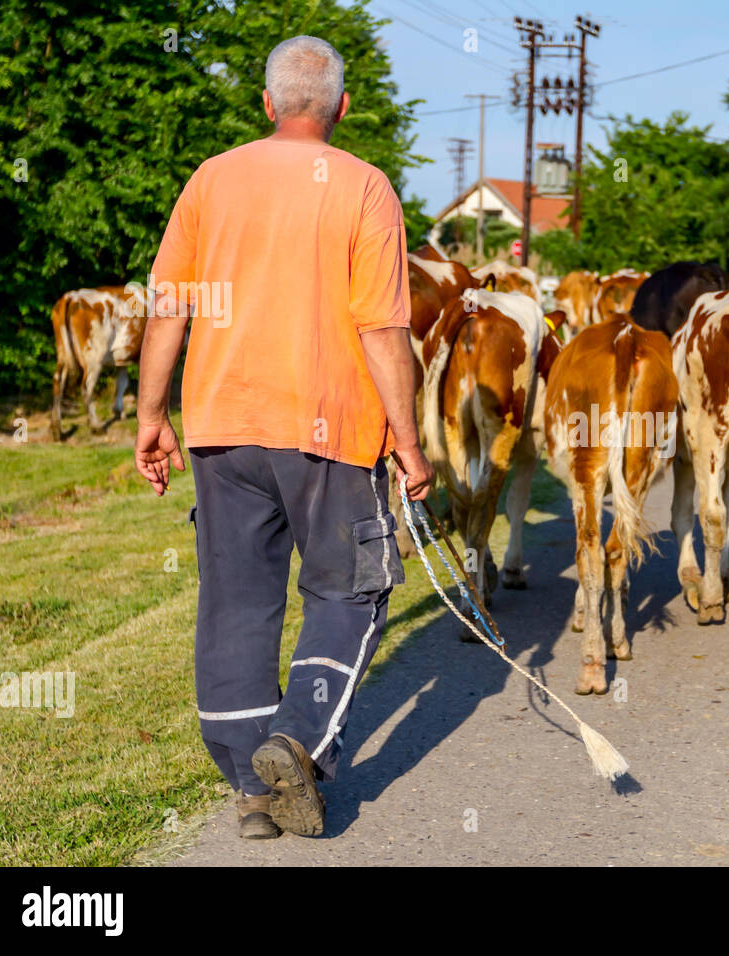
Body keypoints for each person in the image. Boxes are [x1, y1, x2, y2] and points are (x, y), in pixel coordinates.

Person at [134, 35, 434, 840]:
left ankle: (251, 788)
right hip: (329, 430)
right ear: (340, 107)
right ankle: (296, 741)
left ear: (267, 104)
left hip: (223, 429)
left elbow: (169, 308)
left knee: (236, 603)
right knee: (352, 588)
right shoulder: (366, 189)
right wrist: (408, 442)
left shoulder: (212, 180)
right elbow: (381, 328)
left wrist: (150, 417)